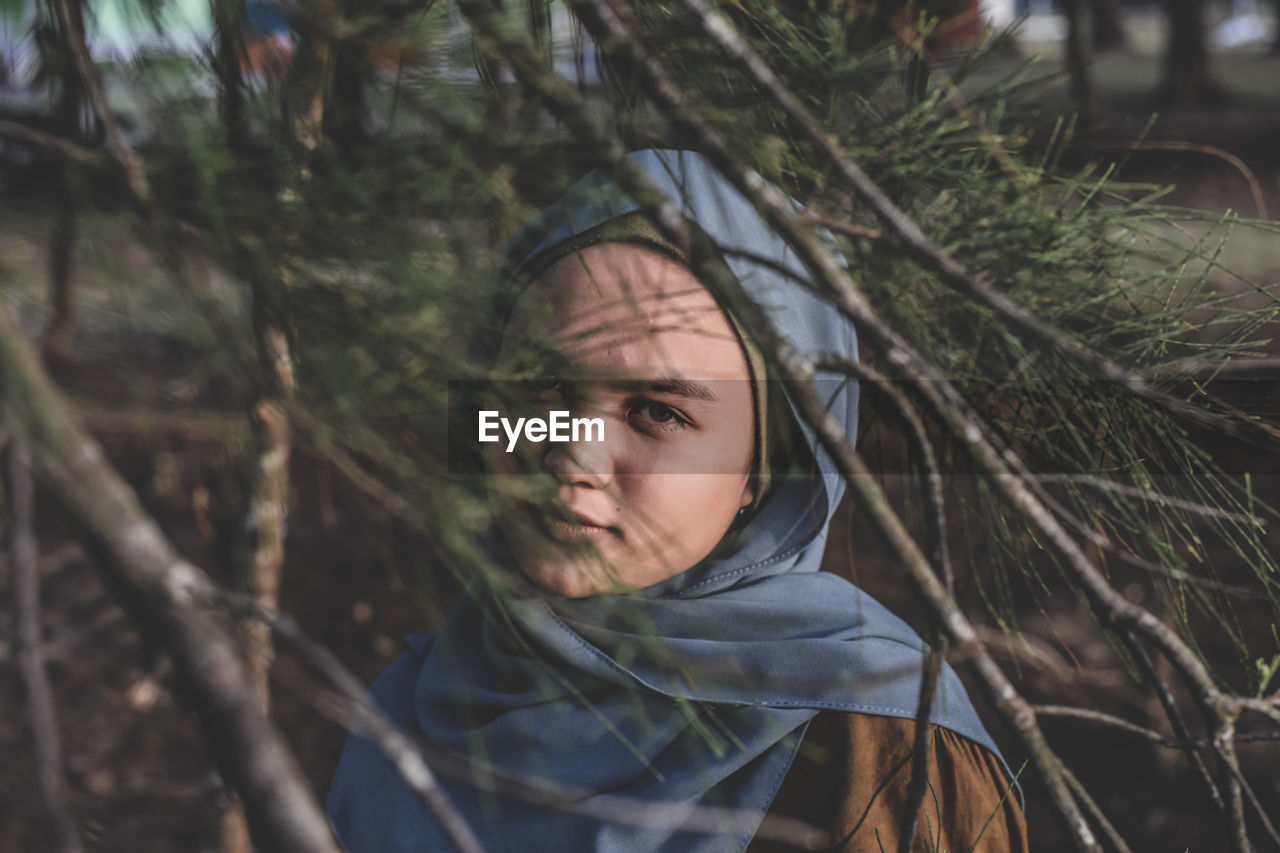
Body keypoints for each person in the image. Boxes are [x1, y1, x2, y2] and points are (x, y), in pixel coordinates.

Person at [326, 149, 1028, 851]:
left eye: (657, 412)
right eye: (539, 385)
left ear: (767, 467)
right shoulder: (410, 706)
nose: (571, 457)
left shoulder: (878, 745)